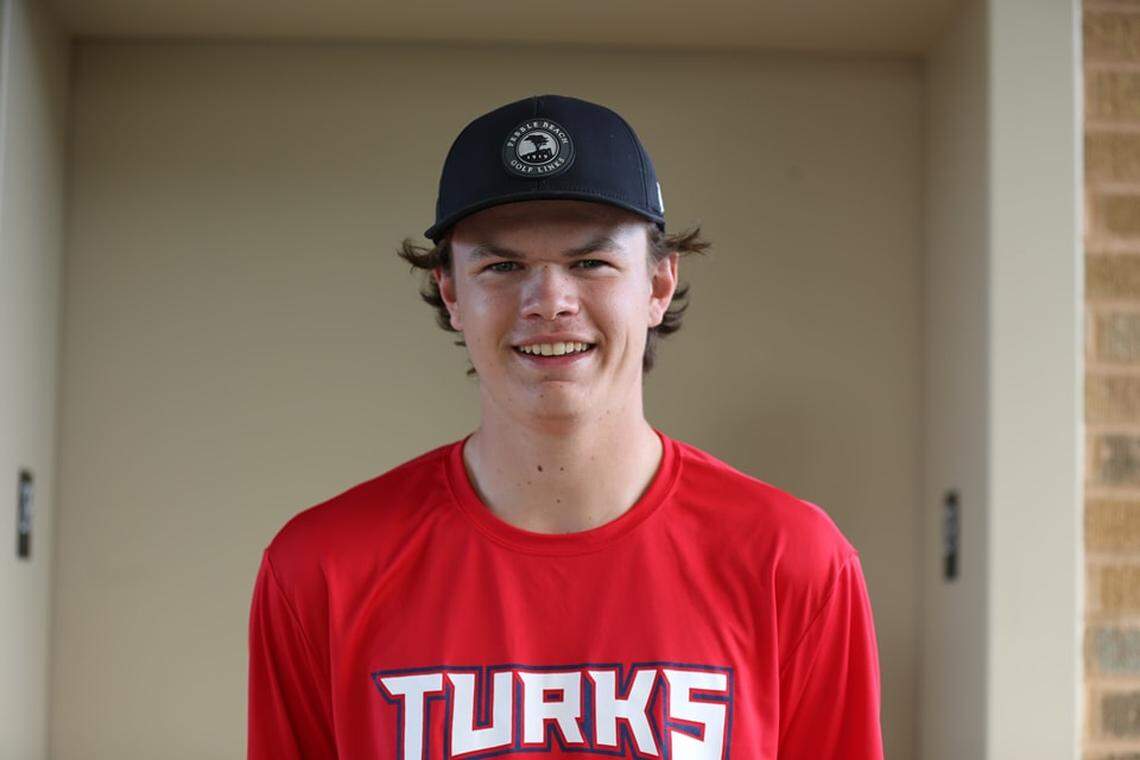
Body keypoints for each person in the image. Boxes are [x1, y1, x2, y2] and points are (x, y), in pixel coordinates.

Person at [247, 93, 885, 759]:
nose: (549, 302)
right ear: (451, 292)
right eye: (503, 266)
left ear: (659, 283)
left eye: (590, 263)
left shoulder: (795, 561)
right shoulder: (321, 568)